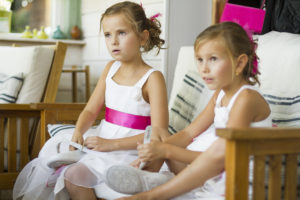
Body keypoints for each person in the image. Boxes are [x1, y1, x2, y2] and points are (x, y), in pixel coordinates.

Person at [13, 1, 169, 200]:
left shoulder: (152, 78)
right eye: (107, 34)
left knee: (125, 180)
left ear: (142, 37)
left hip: (134, 152)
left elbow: (159, 134)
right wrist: (78, 130)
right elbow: (90, 110)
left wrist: (111, 144)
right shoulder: (110, 69)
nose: (113, 41)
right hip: (103, 148)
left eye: (122, 33)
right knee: (72, 174)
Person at [105, 22, 272, 200]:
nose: (204, 68)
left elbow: (222, 156)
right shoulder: (220, 94)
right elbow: (188, 132)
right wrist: (155, 152)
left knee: (168, 149)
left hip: (237, 183)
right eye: (200, 60)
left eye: (213, 59)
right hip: (215, 172)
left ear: (239, 64)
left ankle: (152, 190)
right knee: (165, 141)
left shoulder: (246, 99)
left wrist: (165, 150)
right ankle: (148, 175)